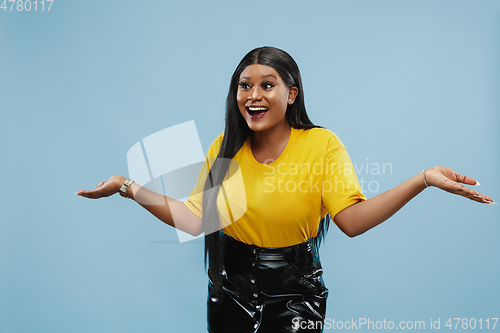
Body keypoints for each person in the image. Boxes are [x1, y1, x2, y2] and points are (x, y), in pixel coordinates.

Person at [76, 46, 494, 333]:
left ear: (291, 94)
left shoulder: (322, 145)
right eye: (245, 85)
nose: (253, 96)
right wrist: (128, 187)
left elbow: (350, 220)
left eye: (267, 85)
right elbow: (198, 219)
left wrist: (422, 180)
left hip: (296, 289)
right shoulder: (224, 147)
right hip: (229, 288)